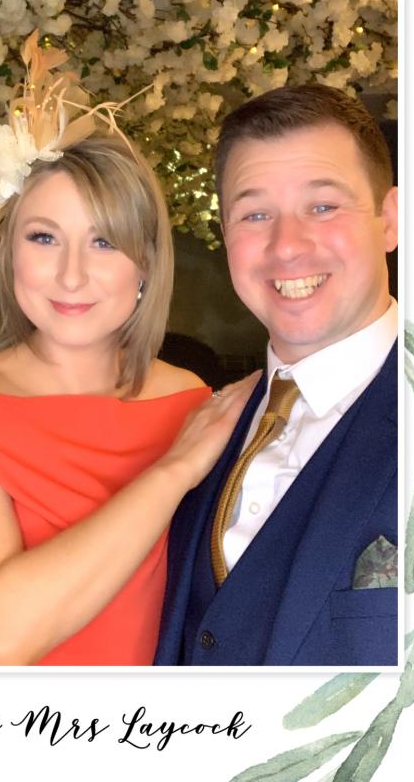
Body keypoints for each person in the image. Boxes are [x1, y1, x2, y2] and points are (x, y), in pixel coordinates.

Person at [0, 31, 258, 666]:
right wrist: (174, 470)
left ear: (145, 264)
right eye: (43, 238)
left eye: (103, 242)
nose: (70, 275)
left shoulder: (191, 400)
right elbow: (0, 636)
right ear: (11, 255)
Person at [155, 84, 398, 666]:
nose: (286, 246)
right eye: (255, 214)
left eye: (323, 206)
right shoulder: (203, 425)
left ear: (390, 220)